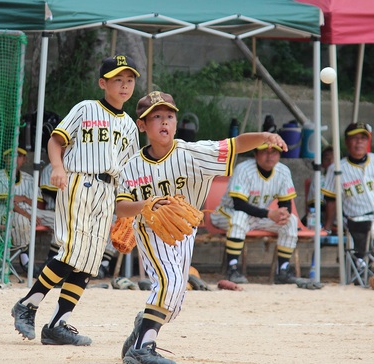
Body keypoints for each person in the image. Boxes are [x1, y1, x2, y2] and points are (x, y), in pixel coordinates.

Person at [115, 90, 288, 363]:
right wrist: (145, 206)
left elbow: (235, 144)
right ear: (142, 125)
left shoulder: (194, 153)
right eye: (156, 116)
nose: (164, 122)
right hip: (150, 231)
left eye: (169, 116)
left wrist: (264, 137)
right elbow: (121, 206)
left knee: (174, 300)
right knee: (169, 283)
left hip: (184, 230)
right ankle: (142, 349)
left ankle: (142, 327)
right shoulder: (132, 166)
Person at [11, 54, 140, 346]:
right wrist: (57, 167)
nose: (124, 85)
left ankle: (57, 324)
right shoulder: (86, 108)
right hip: (80, 181)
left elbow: (130, 170)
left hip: (108, 193)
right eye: (118, 79)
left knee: (89, 262)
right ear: (102, 83)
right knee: (72, 251)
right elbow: (56, 140)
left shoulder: (131, 127)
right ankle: (28, 304)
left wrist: (127, 210)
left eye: (129, 80)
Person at [210, 140, 298, 285]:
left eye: (274, 152)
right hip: (227, 212)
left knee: (291, 221)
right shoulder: (243, 169)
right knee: (239, 218)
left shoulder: (283, 171)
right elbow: (239, 204)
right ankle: (232, 269)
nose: (269, 156)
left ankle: (283, 270)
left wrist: (283, 215)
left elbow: (285, 202)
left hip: (258, 216)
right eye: (265, 151)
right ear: (255, 154)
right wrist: (270, 214)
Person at [0, 145, 55, 275]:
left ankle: (51, 258)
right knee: (22, 222)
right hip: (8, 213)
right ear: (6, 159)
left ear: (24, 159)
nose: (16, 159)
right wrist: (27, 213)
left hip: (32, 212)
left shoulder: (29, 178)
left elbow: (37, 202)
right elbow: (9, 203)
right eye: (12, 156)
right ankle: (25, 259)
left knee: (60, 220)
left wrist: (24, 199)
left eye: (19, 156)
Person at [322, 122, 374, 272]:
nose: (359, 142)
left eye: (363, 138)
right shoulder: (337, 168)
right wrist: (328, 226)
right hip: (356, 219)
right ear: (346, 142)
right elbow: (331, 200)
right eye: (354, 138)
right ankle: (363, 267)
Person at [305, 145, 334, 224]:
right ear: (321, 162)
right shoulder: (318, 179)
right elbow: (315, 205)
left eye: (334, 159)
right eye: (327, 159)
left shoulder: (345, 178)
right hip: (322, 217)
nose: (331, 162)